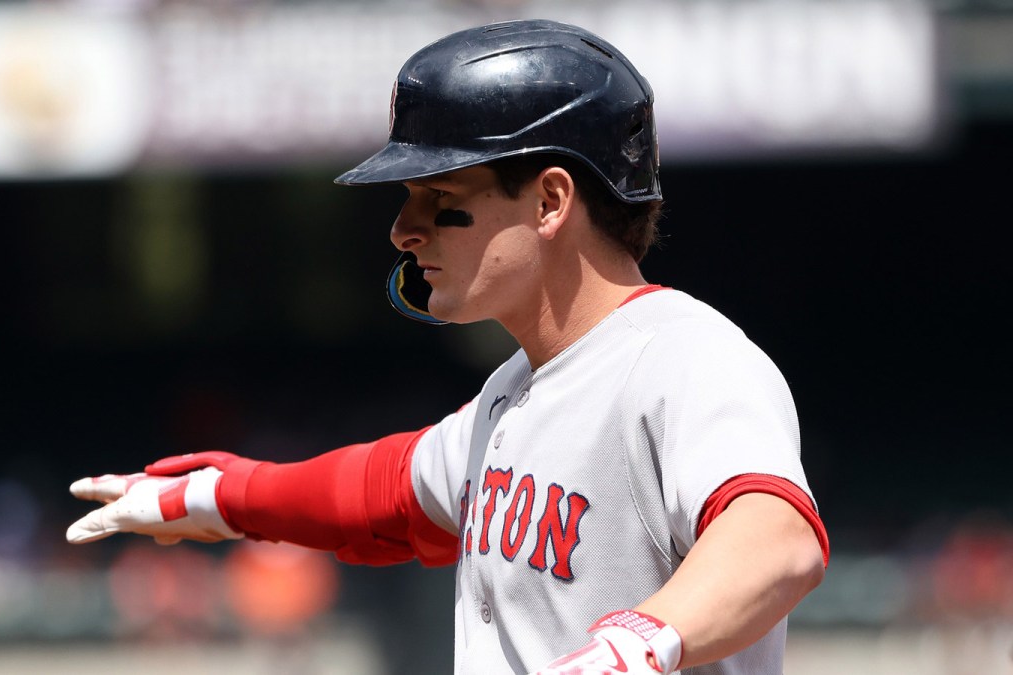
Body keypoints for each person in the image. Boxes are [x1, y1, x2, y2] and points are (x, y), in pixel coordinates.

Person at [66, 19, 829, 674]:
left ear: (551, 200)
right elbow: (384, 493)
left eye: (442, 198)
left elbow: (777, 539)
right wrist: (217, 497)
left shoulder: (685, 357)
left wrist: (640, 640)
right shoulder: (512, 392)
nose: (404, 229)